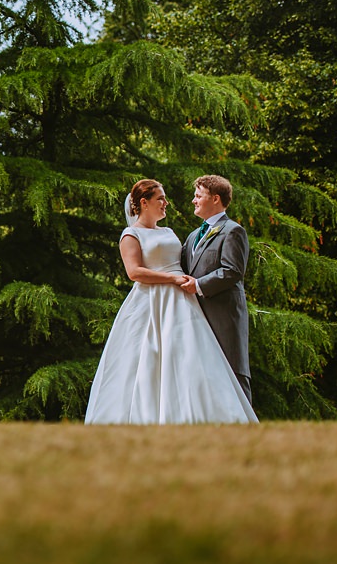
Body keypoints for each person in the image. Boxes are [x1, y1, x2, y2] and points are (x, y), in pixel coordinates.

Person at [84, 179, 257, 425]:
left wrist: (191, 284)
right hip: (153, 302)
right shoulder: (132, 234)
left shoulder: (179, 233)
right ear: (143, 203)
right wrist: (172, 279)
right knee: (152, 365)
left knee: (200, 365)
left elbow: (225, 271)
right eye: (160, 199)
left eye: (198, 195)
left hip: (187, 305)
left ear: (215, 199)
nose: (168, 203)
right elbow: (135, 272)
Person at [179, 175, 253, 406]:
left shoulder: (233, 231)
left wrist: (198, 285)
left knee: (233, 376)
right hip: (194, 318)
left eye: (198, 196)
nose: (193, 200)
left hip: (224, 318)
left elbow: (232, 271)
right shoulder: (192, 237)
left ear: (216, 199)